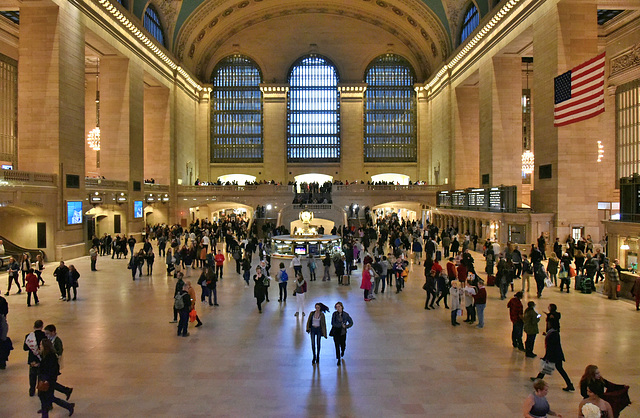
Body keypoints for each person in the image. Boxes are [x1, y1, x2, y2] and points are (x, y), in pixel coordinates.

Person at [36, 338, 75, 417]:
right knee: (48, 398)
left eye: (41, 345)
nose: (39, 346)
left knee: (47, 398)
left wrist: (46, 379)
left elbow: (51, 370)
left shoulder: (50, 357)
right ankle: (68, 406)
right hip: (45, 380)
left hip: (48, 381)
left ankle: (68, 406)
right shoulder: (44, 355)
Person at [531, 324, 575, 392]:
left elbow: (552, 346)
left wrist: (547, 357)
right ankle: (538, 378)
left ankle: (569, 384)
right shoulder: (553, 333)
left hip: (555, 355)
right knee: (550, 367)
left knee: (558, 369)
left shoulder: (554, 334)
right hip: (556, 355)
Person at [43, 324, 73, 400]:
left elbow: (59, 352)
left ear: (53, 332)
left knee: (51, 383)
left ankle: (65, 391)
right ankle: (66, 390)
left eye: (48, 333)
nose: (46, 335)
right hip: (51, 364)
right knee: (51, 384)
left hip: (53, 365)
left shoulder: (57, 341)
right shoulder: (49, 340)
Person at [24, 319, 46, 396]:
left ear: (34, 326)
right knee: (40, 375)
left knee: (32, 375)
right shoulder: (44, 335)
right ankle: (40, 390)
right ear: (42, 326)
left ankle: (32, 390)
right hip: (41, 358)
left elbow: (25, 348)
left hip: (32, 359)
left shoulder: (29, 336)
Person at [330, 301, 353, 366]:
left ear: (342, 307)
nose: (338, 308)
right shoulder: (334, 314)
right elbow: (333, 323)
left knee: (343, 344)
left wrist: (346, 326)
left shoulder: (346, 315)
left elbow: (351, 322)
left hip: (343, 332)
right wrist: (340, 325)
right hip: (336, 332)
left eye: (339, 306)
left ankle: (342, 351)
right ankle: (338, 358)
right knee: (337, 345)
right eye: (336, 307)